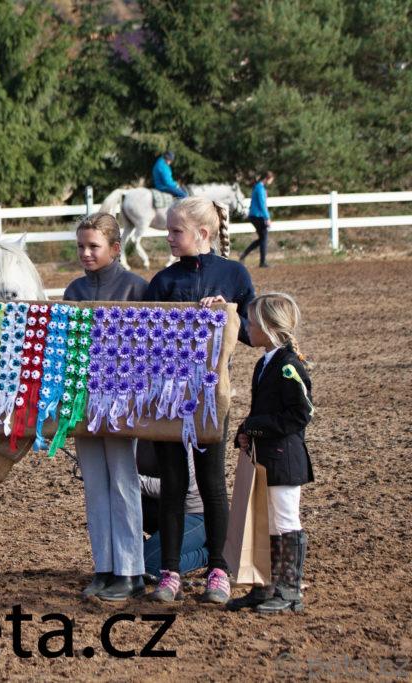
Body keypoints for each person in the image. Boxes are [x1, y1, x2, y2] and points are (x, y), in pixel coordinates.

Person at [143, 197, 255, 605]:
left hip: (211, 398)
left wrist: (228, 313)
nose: (169, 238)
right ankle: (170, 573)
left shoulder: (234, 274)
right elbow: (145, 339)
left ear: (202, 233)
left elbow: (250, 332)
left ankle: (218, 571)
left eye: (176, 231)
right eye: (169, 231)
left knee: (211, 483)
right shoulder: (162, 282)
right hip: (168, 398)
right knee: (173, 483)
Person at [62, 213, 149, 602]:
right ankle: (104, 567)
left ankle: (131, 570)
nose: (85, 253)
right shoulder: (74, 290)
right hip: (85, 402)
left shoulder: (136, 288)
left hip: (122, 403)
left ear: (115, 248)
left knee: (123, 483)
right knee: (95, 485)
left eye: (93, 246)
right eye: (81, 246)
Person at [227, 293, 314, 614]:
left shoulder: (289, 366)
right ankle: (265, 586)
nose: (247, 327)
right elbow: (263, 410)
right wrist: (246, 430)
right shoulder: (266, 363)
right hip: (267, 456)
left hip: (284, 459)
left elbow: (301, 414)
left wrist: (256, 427)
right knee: (266, 522)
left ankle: (289, 591)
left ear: (268, 327)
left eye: (251, 322)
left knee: (284, 520)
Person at [137, 440, 208, 579]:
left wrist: (128, 479)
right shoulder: (128, 434)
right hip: (160, 511)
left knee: (148, 566)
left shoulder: (177, 432)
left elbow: (179, 486)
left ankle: (209, 554)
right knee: (130, 565)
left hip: (193, 513)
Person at [239, 171, 275, 268]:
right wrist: (267, 217)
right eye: (271, 180)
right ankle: (262, 262)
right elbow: (262, 204)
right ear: (267, 178)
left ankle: (244, 255)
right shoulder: (260, 188)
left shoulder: (259, 187)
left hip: (255, 215)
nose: (271, 182)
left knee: (262, 238)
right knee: (264, 237)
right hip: (258, 216)